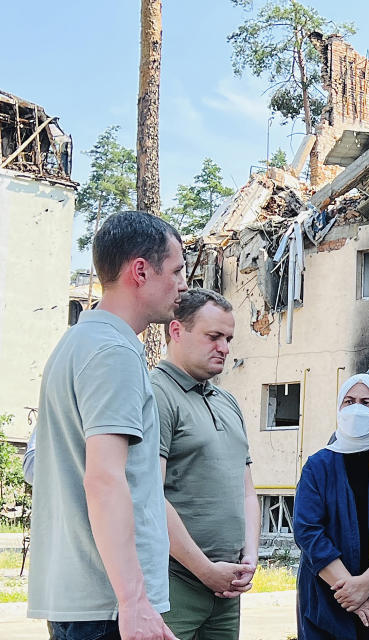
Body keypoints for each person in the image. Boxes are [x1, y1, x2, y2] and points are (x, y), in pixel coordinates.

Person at [27, 211, 187, 640]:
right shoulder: (112, 352)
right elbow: (103, 479)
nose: (183, 284)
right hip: (109, 605)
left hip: (86, 598)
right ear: (140, 271)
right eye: (176, 270)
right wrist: (134, 600)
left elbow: (43, 462)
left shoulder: (76, 343)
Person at [151, 289, 260, 640]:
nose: (225, 348)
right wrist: (205, 569)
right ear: (176, 331)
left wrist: (250, 559)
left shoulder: (228, 401)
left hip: (228, 590)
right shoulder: (155, 393)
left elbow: (246, 491)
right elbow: (149, 497)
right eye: (213, 336)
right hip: (175, 584)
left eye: (228, 339)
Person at [294, 374, 369, 639]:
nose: (356, 408)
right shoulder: (317, 466)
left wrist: (366, 584)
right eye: (349, 401)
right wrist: (355, 595)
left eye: (367, 402)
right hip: (326, 595)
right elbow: (308, 532)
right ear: (339, 407)